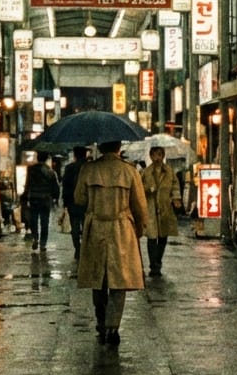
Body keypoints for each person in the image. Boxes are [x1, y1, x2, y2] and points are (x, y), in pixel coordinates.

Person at [76, 141, 148, 346]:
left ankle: (100, 321)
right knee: (120, 280)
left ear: (101, 147)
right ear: (118, 148)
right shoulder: (129, 171)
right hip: (121, 228)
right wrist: (140, 229)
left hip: (96, 227)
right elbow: (140, 206)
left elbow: (79, 199)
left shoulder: (88, 169)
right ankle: (113, 326)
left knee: (98, 278)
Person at [140, 146, 182, 277]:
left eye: (159, 155)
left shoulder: (169, 171)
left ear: (163, 156)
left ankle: (158, 262)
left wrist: (176, 199)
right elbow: (139, 189)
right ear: (151, 156)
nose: (157, 158)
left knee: (163, 237)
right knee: (152, 237)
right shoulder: (146, 172)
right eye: (154, 155)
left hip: (165, 208)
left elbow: (175, 186)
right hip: (151, 208)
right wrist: (148, 189)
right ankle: (154, 266)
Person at [22, 152, 60, 251]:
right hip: (45, 199)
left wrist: (25, 196)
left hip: (34, 198)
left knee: (33, 220)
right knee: (44, 222)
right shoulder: (50, 171)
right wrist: (56, 198)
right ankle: (43, 244)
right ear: (47, 159)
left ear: (37, 158)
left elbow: (27, 184)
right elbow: (55, 187)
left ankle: (35, 238)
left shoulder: (31, 169)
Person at [61, 146, 90, 259]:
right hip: (87, 202)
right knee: (87, 227)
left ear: (74, 155)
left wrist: (65, 203)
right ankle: (85, 249)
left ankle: (77, 249)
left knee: (75, 227)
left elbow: (65, 186)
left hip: (72, 202)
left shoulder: (69, 168)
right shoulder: (90, 167)